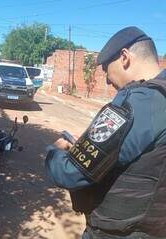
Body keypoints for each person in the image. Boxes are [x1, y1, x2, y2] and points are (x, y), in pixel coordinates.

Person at [45, 26, 166, 239]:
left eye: (106, 69)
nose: (108, 80)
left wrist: (55, 152)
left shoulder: (137, 104)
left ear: (124, 57)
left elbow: (69, 173)